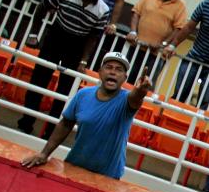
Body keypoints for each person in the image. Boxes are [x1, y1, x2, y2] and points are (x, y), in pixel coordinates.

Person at [21, 52, 151, 179]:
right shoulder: (83, 94)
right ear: (100, 72)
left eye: (119, 70)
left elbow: (136, 98)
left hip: (108, 174)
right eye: (109, 67)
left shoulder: (126, 100)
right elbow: (66, 123)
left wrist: (140, 92)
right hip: (75, 165)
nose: (113, 72)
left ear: (124, 78)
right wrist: (44, 154)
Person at [16, 0, 110, 137]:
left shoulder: (103, 9)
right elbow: (41, 8)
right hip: (56, 37)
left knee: (65, 92)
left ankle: (51, 132)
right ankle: (26, 123)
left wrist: (83, 61)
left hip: (77, 45)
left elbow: (93, 38)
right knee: (39, 81)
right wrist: (33, 34)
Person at [122, 0, 187, 79]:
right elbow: (136, 12)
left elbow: (179, 28)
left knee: (146, 83)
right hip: (137, 46)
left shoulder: (180, 5)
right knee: (126, 77)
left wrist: (163, 44)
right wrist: (133, 32)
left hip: (156, 54)